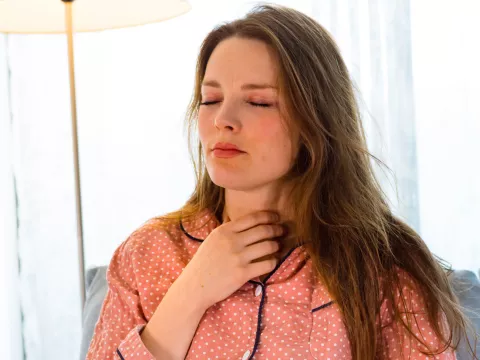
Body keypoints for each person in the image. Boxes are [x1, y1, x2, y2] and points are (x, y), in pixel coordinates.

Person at [86, 4, 476, 360]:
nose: (223, 119)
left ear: (314, 121)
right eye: (210, 99)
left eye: (258, 102)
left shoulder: (386, 270)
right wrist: (189, 295)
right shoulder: (146, 255)